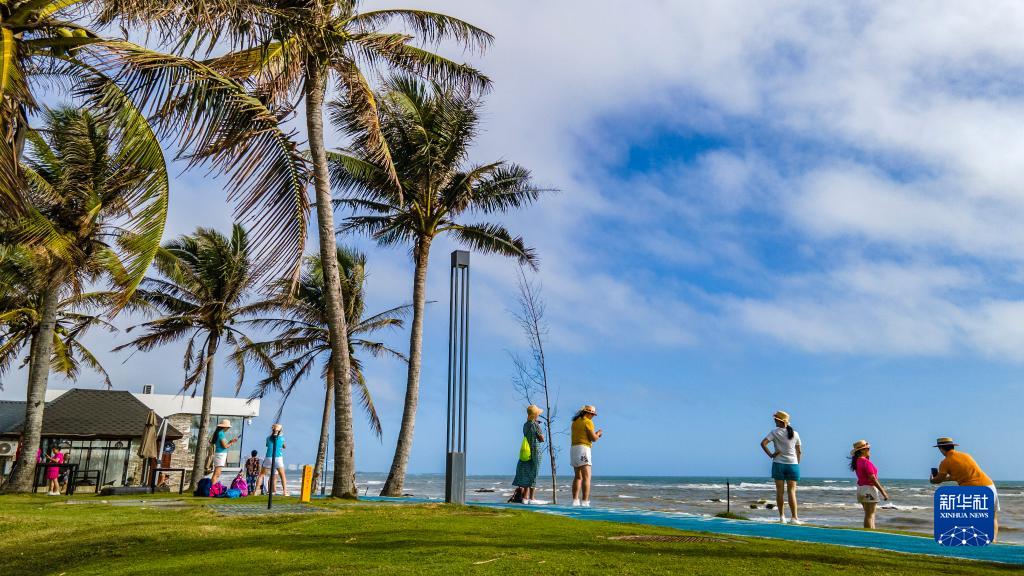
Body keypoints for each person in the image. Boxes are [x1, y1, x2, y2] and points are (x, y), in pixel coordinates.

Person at [930, 437, 998, 542]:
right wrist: (946, 479)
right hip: (989, 485)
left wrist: (932, 479)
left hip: (972, 489)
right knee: (992, 517)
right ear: (953, 446)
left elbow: (938, 479)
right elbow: (961, 474)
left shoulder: (945, 462)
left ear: (941, 449)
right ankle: (993, 542)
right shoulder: (966, 456)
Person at [760, 410, 802, 524]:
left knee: (779, 492)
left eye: (775, 419)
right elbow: (799, 451)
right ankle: (794, 518)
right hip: (793, 465)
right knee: (792, 492)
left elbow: (763, 443)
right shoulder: (795, 433)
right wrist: (797, 464)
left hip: (778, 464)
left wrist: (771, 455)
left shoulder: (774, 432)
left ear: (780, 421)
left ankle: (782, 517)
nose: (774, 421)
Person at [849, 440, 889, 529]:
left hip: (860, 488)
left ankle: (870, 532)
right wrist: (883, 492)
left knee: (868, 514)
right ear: (863, 450)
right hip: (869, 489)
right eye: (868, 449)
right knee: (870, 515)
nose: (869, 450)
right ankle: (870, 535)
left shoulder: (857, 462)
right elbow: (872, 478)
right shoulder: (866, 462)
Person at [511, 405, 546, 505]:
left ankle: (525, 498)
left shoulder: (525, 425)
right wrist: (538, 428)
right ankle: (532, 497)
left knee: (527, 473)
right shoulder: (536, 425)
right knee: (534, 473)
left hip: (526, 451)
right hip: (535, 450)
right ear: (536, 415)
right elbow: (542, 439)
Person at [570, 405, 602, 507]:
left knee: (577, 477)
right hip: (583, 449)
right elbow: (593, 438)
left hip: (574, 449)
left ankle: (575, 501)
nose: (593, 416)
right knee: (587, 477)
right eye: (592, 414)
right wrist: (598, 434)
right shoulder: (588, 422)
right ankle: (585, 502)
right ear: (587, 413)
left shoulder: (575, 422)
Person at [256, 423, 288, 497]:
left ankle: (255, 491)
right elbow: (284, 446)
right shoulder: (282, 438)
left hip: (268, 457)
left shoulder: (268, 438)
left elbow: (267, 445)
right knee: (282, 475)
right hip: (278, 458)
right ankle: (285, 492)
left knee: (261, 475)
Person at [209, 419, 237, 485]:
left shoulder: (219, 433)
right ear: (225, 427)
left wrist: (230, 441)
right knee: (217, 474)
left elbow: (223, 444)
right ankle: (212, 489)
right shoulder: (221, 433)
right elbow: (225, 446)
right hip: (220, 454)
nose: (228, 429)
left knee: (216, 474)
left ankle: (212, 488)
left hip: (219, 454)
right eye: (228, 427)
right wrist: (232, 443)